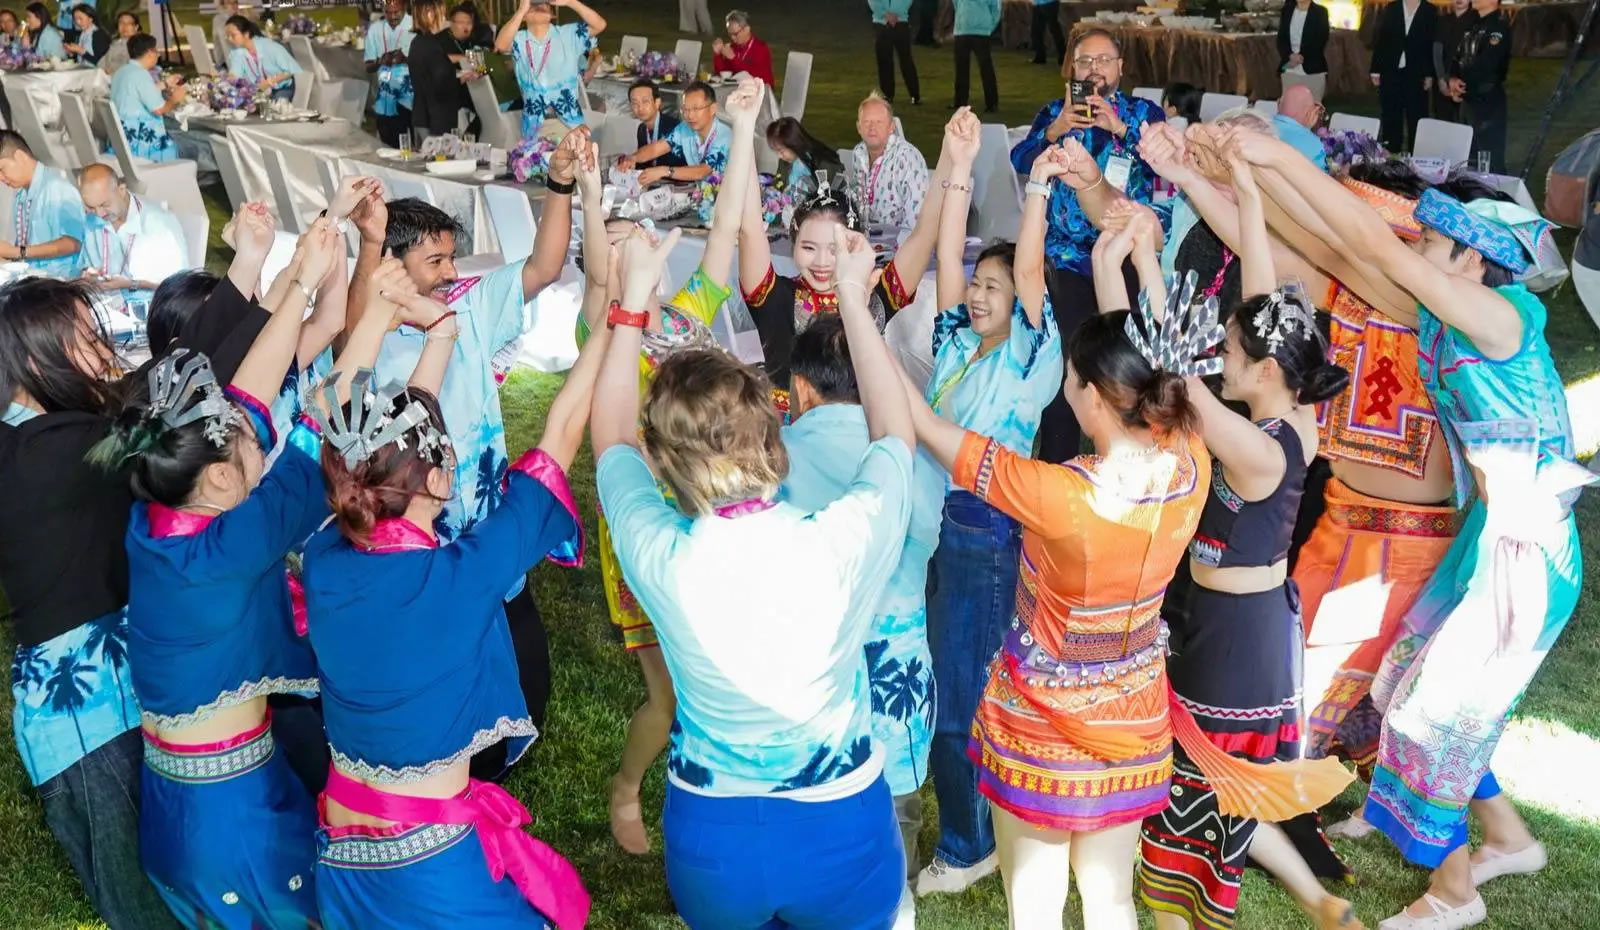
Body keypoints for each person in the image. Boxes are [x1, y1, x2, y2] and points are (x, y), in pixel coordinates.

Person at [1233, 129, 1590, 930]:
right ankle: (1508, 838)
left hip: (1527, 552)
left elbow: (1369, 246)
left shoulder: (1501, 317)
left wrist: (1281, 161)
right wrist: (1247, 181)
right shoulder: (1444, 320)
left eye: (1430, 242)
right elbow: (1348, 256)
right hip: (1489, 539)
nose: (1414, 250)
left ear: (1472, 259)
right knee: (1399, 688)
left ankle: (1454, 895)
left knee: (1432, 718)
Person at [590, 200, 917, 930]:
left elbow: (609, 437)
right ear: (777, 422)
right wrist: (855, 303)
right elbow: (894, 431)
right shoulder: (844, 537)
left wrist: (631, 304)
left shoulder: (662, 555)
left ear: (663, 465)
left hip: (715, 836)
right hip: (842, 826)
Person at [0, 200, 291, 930]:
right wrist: (265, 282)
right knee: (149, 905)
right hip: (90, 725)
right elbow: (172, 397)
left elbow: (166, 382)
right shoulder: (49, 454)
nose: (104, 350)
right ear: (33, 361)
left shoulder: (40, 434)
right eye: (84, 338)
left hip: (115, 696)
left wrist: (252, 268)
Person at [303, 260, 595, 930]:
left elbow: (394, 447)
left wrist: (440, 334)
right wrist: (620, 318)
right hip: (427, 869)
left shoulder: (324, 558)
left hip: (341, 851)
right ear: (436, 481)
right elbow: (559, 438)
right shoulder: (463, 577)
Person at [1114, 144, 1359, 930]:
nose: (1222, 358)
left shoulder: (1259, 450)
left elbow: (1181, 381)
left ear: (1266, 370)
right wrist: (1244, 194)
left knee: (1190, 795)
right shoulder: (1288, 409)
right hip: (1230, 625)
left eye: (1230, 352)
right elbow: (1260, 296)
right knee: (1225, 788)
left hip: (1236, 642)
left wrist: (1146, 265)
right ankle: (1319, 900)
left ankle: (1182, 914)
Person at [88, 217, 344, 930]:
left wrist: (302, 280)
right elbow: (316, 437)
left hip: (180, 805)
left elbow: (250, 400)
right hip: (232, 818)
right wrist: (371, 324)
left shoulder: (158, 517)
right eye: (248, 444)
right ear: (224, 480)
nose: (258, 433)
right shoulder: (229, 549)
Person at [340, 129, 581, 746]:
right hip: (414, 540)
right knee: (437, 668)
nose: (452, 273)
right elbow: (351, 331)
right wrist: (371, 245)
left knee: (528, 679)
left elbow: (545, 267)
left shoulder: (470, 309)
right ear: (394, 267)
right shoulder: (368, 335)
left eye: (452, 258)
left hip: (484, 524)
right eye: (436, 262)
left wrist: (559, 183)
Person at [595, 80, 762, 858]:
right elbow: (601, 286)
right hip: (645, 530)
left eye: (640, 234)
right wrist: (596, 218)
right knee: (667, 699)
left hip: (712, 516)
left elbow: (723, 230)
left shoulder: (690, 315)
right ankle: (627, 787)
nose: (639, 243)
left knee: (715, 681)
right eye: (621, 240)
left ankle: (716, 795)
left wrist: (742, 127)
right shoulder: (606, 336)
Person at [911, 115, 1065, 900]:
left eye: (992, 288)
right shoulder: (957, 339)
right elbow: (946, 259)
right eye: (977, 284)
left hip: (986, 529)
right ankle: (972, 828)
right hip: (937, 523)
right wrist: (960, 166)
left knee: (962, 687)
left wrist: (1035, 186)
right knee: (945, 676)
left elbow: (1030, 268)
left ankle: (968, 843)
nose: (975, 294)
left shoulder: (1031, 357)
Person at [777, 312, 947, 930]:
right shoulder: (914, 459)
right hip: (899, 671)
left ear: (801, 389)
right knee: (897, 804)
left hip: (808, 676)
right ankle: (897, 902)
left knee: (809, 807)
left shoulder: (774, 459)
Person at [1008, 26, 1164, 463]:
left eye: (1103, 60)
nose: (1094, 69)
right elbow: (1020, 159)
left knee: (1129, 356)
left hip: (1126, 252)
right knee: (1065, 359)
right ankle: (1057, 460)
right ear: (1072, 70)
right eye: (1085, 62)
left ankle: (1134, 456)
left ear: (1120, 67)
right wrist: (1055, 130)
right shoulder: (1054, 112)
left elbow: (1164, 167)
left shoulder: (1143, 113)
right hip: (1067, 258)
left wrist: (1120, 128)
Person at [740, 104, 948, 391]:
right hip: (789, 421)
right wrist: (743, 127)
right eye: (809, 248)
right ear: (793, 246)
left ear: (856, 246)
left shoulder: (872, 298)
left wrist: (951, 157)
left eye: (835, 248)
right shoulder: (776, 299)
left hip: (862, 420)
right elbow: (750, 229)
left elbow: (924, 235)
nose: (822, 261)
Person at [79, 163, 189, 320]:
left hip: (154, 313)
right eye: (91, 207)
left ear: (121, 190)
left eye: (104, 205)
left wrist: (131, 284)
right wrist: (89, 273)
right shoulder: (92, 221)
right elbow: (86, 265)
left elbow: (179, 286)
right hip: (106, 309)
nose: (99, 214)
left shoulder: (158, 224)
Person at [494, 0, 606, 136]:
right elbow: (500, 45)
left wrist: (570, 2)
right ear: (524, 17)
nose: (539, 5)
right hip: (535, 128)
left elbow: (600, 25)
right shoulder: (519, 39)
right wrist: (520, 11)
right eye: (533, 4)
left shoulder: (568, 34)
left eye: (545, 3)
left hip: (570, 126)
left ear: (552, 15)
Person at [0, 131, 84, 278]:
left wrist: (17, 252)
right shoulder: (21, 195)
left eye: (1, 169)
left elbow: (73, 243)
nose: (1, 178)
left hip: (61, 283)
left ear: (20, 157)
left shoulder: (57, 188)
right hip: (35, 279)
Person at [620, 82, 729, 187]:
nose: (690, 115)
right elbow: (656, 148)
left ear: (712, 109)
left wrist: (665, 171)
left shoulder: (724, 135)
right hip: (699, 191)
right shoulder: (685, 128)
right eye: (685, 109)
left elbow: (702, 171)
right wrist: (633, 158)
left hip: (723, 194)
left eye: (696, 109)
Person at [1444, 0, 1510, 172]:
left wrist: (1461, 85)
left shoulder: (1498, 27)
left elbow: (1488, 64)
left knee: (1489, 159)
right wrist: (1452, 79)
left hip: (1487, 101)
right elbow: (1457, 57)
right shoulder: (1472, 25)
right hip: (1468, 100)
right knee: (1468, 158)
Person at [849, 92, 928, 232]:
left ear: (891, 127)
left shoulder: (907, 158)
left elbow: (918, 218)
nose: (872, 127)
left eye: (879, 122)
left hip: (900, 239)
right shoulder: (858, 153)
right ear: (858, 127)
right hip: (865, 236)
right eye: (867, 122)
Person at [110, 34, 189, 163]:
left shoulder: (122, 71)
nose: (158, 55)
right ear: (149, 53)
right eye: (156, 51)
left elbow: (138, 92)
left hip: (123, 138)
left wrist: (166, 84)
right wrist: (174, 99)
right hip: (142, 143)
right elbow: (159, 109)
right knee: (192, 145)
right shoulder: (141, 74)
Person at [407, 0, 480, 139]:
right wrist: (463, 78)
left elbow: (430, 77)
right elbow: (441, 84)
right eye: (441, 14)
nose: (444, 19)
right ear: (430, 15)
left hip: (423, 115)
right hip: (435, 119)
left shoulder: (418, 42)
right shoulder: (431, 45)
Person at [1370, 0, 1436, 153]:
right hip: (1391, 71)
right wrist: (1375, 69)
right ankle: (1391, 156)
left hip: (1417, 74)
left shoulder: (1429, 10)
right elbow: (1381, 39)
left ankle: (1416, 157)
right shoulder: (1392, 8)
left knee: (1417, 118)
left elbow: (1430, 44)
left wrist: (1429, 74)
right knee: (1390, 117)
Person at [365, 0, 416, 147]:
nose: (392, 16)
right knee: (390, 148)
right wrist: (381, 61)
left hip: (413, 98)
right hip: (386, 99)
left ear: (404, 8)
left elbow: (425, 56)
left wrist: (404, 58)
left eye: (396, 12)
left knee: (418, 148)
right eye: (388, 12)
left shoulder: (415, 25)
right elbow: (368, 67)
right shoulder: (375, 29)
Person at [225, 15, 302, 103]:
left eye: (233, 35)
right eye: (227, 36)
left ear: (246, 34)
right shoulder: (237, 52)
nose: (229, 39)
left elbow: (290, 70)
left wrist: (270, 82)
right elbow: (235, 76)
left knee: (275, 108)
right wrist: (227, 81)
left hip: (281, 88)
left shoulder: (269, 46)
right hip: (259, 91)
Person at [765, 115, 842, 196]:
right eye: (776, 151)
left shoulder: (824, 164)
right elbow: (779, 184)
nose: (779, 156)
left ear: (794, 144)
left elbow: (833, 196)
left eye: (781, 151)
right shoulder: (785, 161)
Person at [870, 0, 921, 106]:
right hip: (881, 22)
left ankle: (914, 94)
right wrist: (885, 14)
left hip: (900, 21)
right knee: (884, 60)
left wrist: (895, 14)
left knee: (906, 59)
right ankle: (887, 94)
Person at [952, 0, 1000, 113]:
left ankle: (991, 103)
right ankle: (960, 102)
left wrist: (988, 27)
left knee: (985, 68)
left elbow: (996, 8)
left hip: (975, 31)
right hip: (963, 30)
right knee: (962, 68)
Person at [625, 80, 683, 171]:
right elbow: (643, 165)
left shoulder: (674, 127)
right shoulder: (641, 129)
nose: (640, 108)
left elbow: (654, 151)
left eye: (645, 101)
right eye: (635, 103)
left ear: (657, 103)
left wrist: (633, 158)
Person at [1278, 0, 1330, 100]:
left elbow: (1320, 39)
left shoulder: (1320, 12)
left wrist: (1300, 57)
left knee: (1312, 105)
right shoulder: (1286, 11)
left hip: (1313, 68)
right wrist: (1290, 56)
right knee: (1289, 104)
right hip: (1289, 67)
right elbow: (1281, 39)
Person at [1432, 0, 1472, 122]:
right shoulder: (1443, 21)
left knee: (1465, 123)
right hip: (1443, 79)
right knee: (1443, 121)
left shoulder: (1477, 21)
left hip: (1466, 81)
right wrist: (1441, 78)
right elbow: (1437, 51)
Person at [1275, 84, 1331, 167]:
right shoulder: (1313, 145)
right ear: (1310, 112)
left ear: (1280, 105)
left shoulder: (1260, 126)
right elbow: (1320, 174)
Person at [713, 10, 773, 86]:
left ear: (747, 29)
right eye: (730, 34)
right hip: (739, 88)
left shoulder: (760, 48)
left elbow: (752, 76)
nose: (732, 38)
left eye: (735, 34)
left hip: (760, 89)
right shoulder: (733, 47)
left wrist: (733, 58)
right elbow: (723, 74)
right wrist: (718, 55)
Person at [1031, 0, 1065, 66]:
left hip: (1049, 3)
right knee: (1036, 31)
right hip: (1038, 4)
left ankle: (1063, 57)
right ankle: (1040, 57)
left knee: (1054, 30)